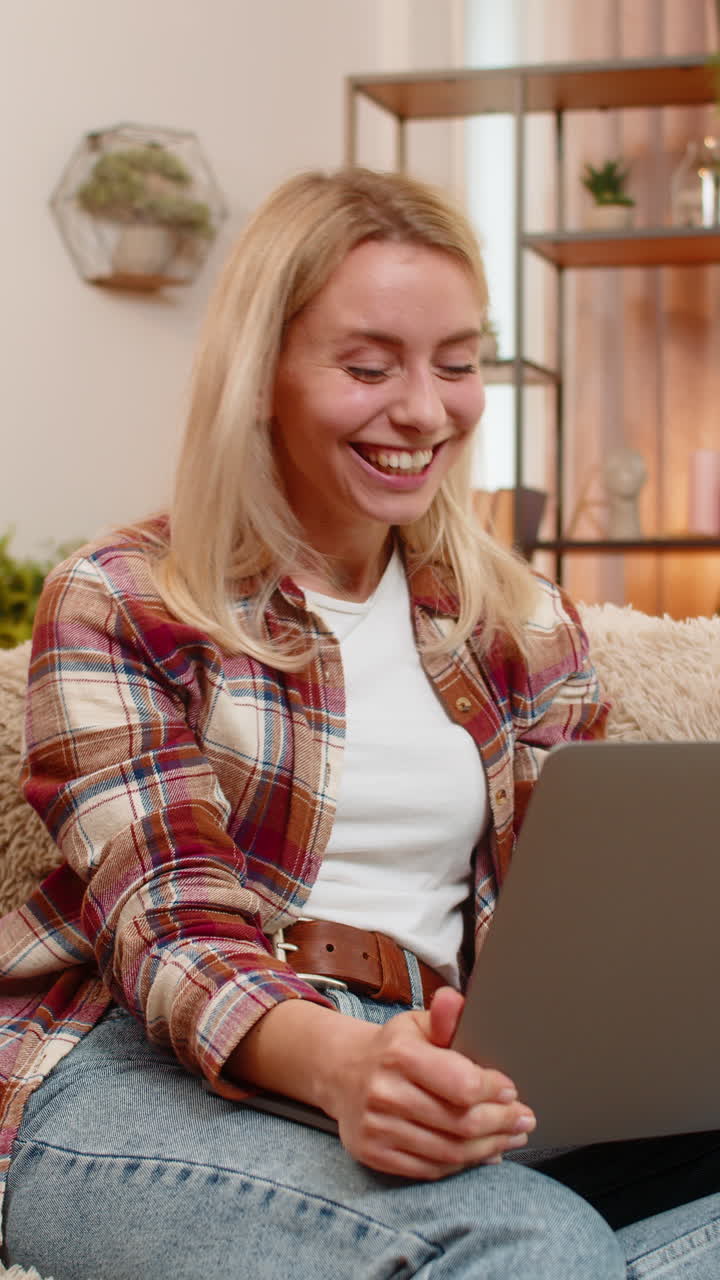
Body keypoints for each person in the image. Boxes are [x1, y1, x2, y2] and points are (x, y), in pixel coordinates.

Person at [1, 166, 720, 1280]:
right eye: (370, 367)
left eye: (458, 364)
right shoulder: (123, 597)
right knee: (527, 1243)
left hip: (434, 1054)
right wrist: (344, 1066)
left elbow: (562, 929)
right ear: (261, 377)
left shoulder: (522, 623)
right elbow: (172, 929)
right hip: (132, 1069)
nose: (425, 411)